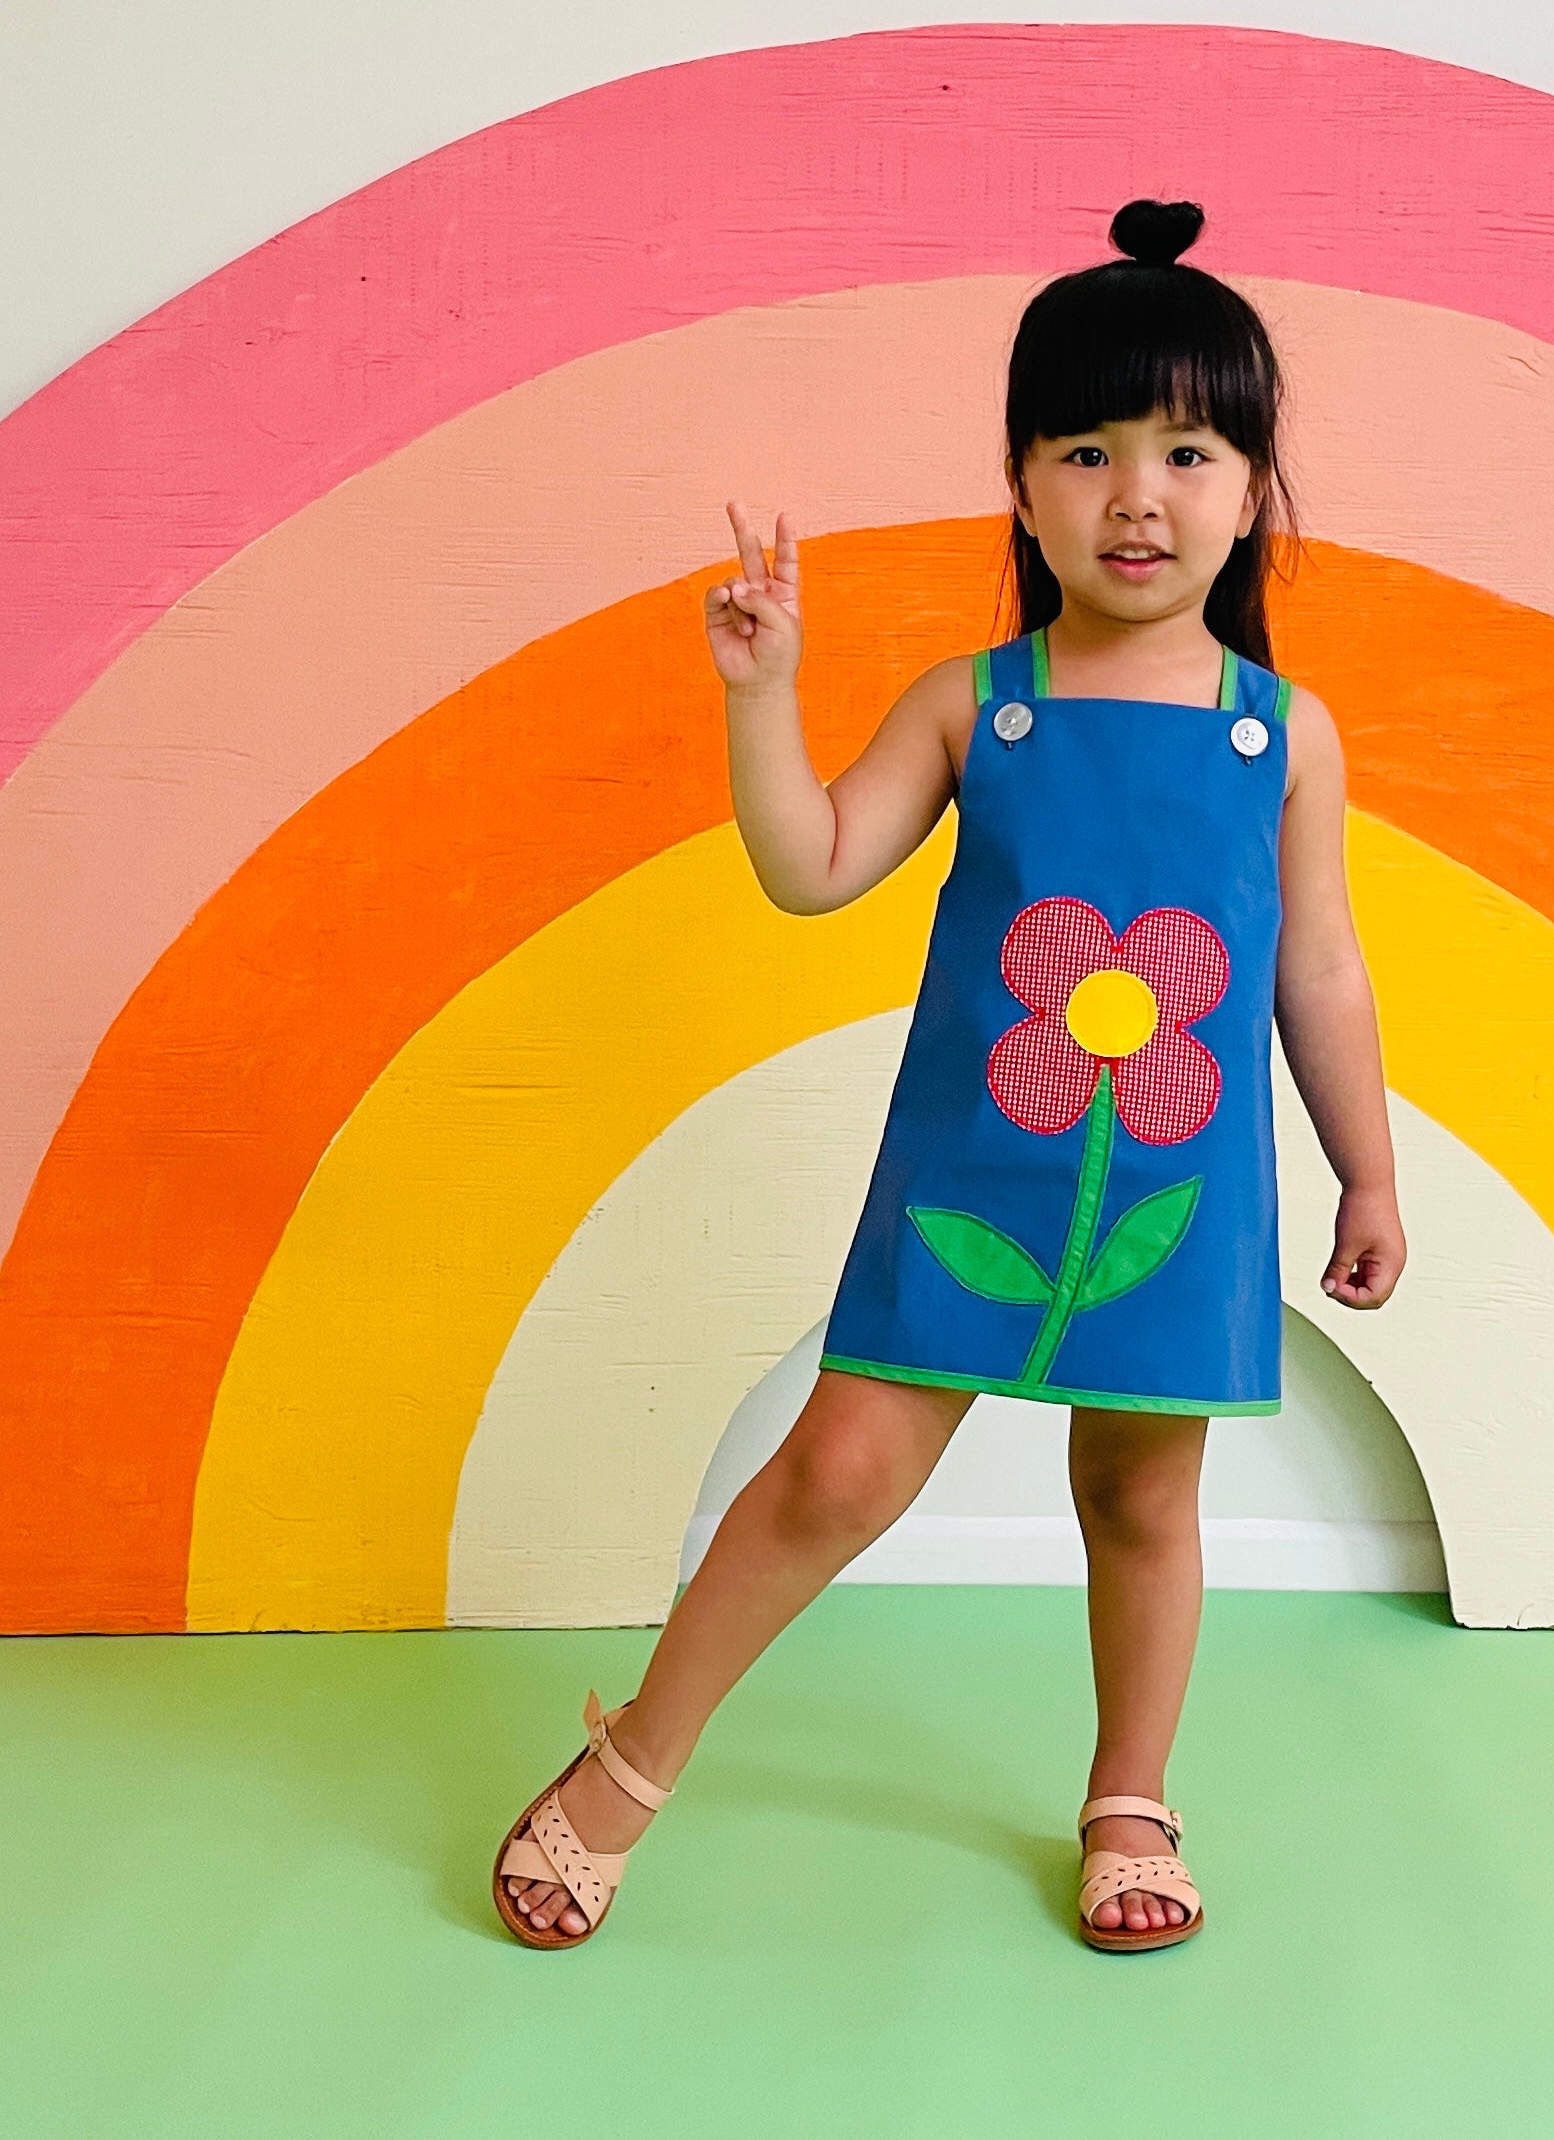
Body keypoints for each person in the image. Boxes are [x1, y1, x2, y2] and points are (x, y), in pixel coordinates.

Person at [494, 197, 1406, 1954]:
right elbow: (812, 864)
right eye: (1087, 450)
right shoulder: (970, 703)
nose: (1135, 494)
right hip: (972, 1177)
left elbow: (1320, 967)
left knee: (1140, 1494)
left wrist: (1365, 1169)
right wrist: (763, 695)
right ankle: (631, 1761)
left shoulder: (1278, 734)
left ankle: (1129, 1792)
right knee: (834, 1472)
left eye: (1186, 449)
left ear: (1249, 490)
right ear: (1020, 485)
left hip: (1171, 1185)